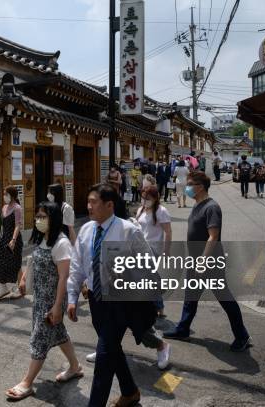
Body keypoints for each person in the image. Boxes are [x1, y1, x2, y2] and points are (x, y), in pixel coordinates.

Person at [67, 184, 157, 407]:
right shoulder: (87, 230)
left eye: (94, 202)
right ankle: (130, 391)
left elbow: (149, 268)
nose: (89, 206)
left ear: (110, 205)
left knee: (104, 356)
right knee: (112, 349)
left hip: (121, 303)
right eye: (88, 201)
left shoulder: (128, 230)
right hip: (97, 302)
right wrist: (72, 298)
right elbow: (78, 266)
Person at [163, 172, 252, 352]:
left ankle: (242, 336)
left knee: (224, 298)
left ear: (200, 186)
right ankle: (183, 329)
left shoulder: (211, 207)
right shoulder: (198, 205)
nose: (187, 187)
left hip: (209, 261)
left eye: (189, 184)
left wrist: (203, 261)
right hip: (196, 260)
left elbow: (213, 236)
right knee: (190, 296)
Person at [6, 202, 83, 401]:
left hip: (53, 301)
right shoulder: (43, 238)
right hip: (40, 298)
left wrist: (57, 307)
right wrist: (24, 279)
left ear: (54, 219)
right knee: (58, 333)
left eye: (43, 217)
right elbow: (34, 260)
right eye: (37, 216)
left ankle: (27, 382)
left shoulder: (61, 243)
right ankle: (75, 367)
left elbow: (64, 278)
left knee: (39, 338)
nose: (39, 220)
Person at [135, 185, 172, 319]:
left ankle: (154, 304)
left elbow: (168, 232)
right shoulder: (140, 210)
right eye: (143, 197)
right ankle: (158, 304)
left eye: (148, 198)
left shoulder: (161, 211)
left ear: (156, 198)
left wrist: (166, 250)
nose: (144, 200)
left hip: (153, 249)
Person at [0, 186, 24, 300]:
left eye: (6, 194)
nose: (4, 196)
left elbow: (18, 225)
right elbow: (2, 226)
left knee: (16, 264)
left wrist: (13, 240)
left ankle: (21, 289)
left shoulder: (17, 208)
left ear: (12, 195)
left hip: (14, 239)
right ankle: (3, 288)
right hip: (4, 239)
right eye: (4, 194)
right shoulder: (4, 207)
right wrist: (0, 238)